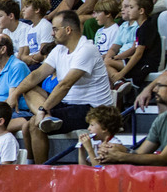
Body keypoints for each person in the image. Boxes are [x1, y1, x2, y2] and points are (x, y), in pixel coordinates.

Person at [10, 10, 114, 163]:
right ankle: (46, 120)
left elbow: (65, 85)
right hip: (69, 104)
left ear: (68, 30)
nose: (52, 33)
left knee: (34, 124)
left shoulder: (87, 49)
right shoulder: (59, 49)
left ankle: (41, 171)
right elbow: (37, 75)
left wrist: (43, 109)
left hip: (94, 109)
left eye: (55, 29)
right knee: (28, 90)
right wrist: (15, 94)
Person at [100, 70, 167, 165]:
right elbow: (140, 153)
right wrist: (119, 149)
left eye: (159, 86)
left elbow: (163, 159)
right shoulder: (162, 118)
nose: (154, 89)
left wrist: (121, 156)